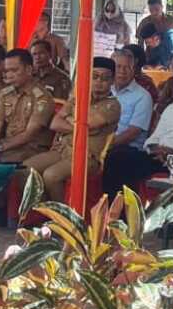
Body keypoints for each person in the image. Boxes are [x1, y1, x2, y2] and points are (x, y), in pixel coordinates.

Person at [23, 57, 121, 202]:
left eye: (105, 78)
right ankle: (43, 210)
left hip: (88, 157)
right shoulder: (78, 99)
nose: (99, 82)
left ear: (112, 81)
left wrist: (69, 119)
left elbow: (89, 124)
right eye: (94, 77)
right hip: (64, 149)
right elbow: (55, 124)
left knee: (51, 176)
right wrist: (78, 125)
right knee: (25, 169)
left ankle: (63, 218)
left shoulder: (112, 105)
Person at [100, 49, 155, 194]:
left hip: (128, 148)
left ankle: (112, 211)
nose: (122, 71)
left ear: (134, 70)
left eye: (127, 67)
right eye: (118, 67)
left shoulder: (143, 96)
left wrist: (104, 146)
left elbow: (132, 133)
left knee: (115, 160)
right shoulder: (102, 90)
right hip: (99, 144)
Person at [0, 49, 55, 163]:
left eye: (14, 70)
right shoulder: (5, 94)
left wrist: (0, 148)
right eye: (6, 71)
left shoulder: (41, 97)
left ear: (28, 70)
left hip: (31, 149)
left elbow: (30, 134)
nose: (9, 75)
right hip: (7, 147)